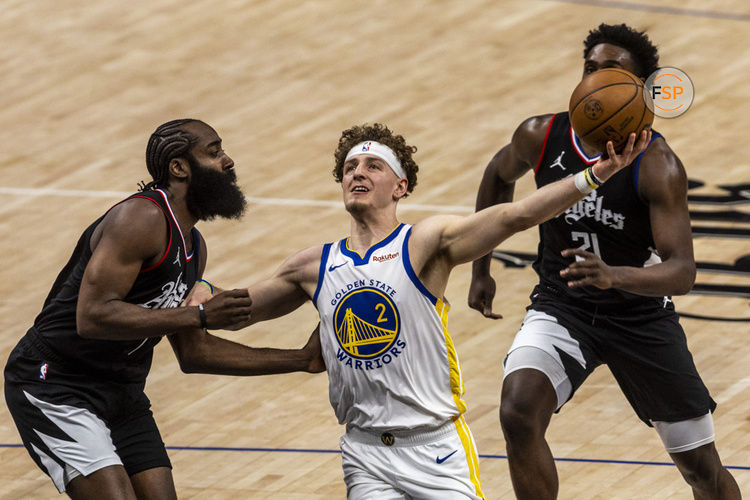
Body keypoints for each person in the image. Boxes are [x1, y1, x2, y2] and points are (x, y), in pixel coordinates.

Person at [219, 122, 648, 498]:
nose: (358, 173)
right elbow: (237, 309)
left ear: (400, 185)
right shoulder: (311, 266)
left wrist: (593, 176)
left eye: (373, 166)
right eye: (350, 167)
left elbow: (517, 216)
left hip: (435, 448)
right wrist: (186, 279)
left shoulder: (425, 242)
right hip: (364, 453)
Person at [468, 23, 740, 499]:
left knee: (701, 469)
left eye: (611, 71)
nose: (595, 78)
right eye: (590, 68)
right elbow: (497, 175)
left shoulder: (657, 165)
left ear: (640, 89)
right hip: (563, 305)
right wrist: (480, 267)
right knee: (516, 410)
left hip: (639, 317)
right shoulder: (541, 134)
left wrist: (614, 276)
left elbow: (682, 271)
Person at [4, 118, 324, 499]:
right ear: (179, 166)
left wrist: (302, 359)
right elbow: (91, 317)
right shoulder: (141, 218)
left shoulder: (194, 246)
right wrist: (201, 315)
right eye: (214, 150)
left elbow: (195, 353)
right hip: (55, 382)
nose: (228, 161)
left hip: (122, 388)